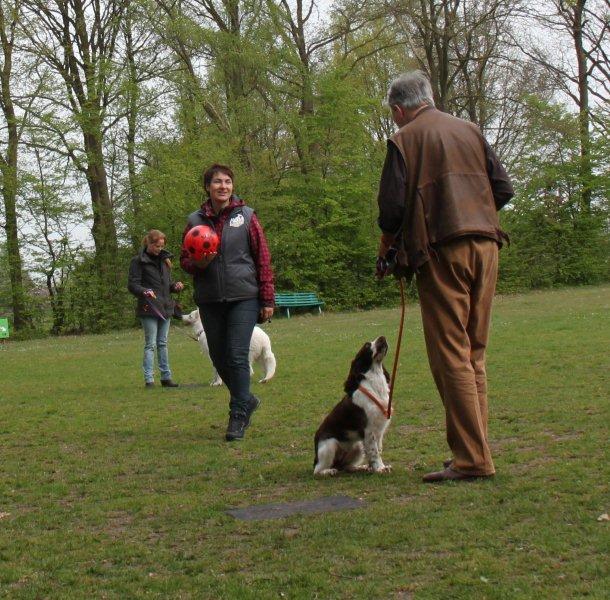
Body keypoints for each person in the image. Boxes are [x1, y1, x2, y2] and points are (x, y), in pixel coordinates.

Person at [376, 71, 514, 483]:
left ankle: (472, 459)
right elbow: (503, 189)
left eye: (394, 114)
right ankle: (475, 452)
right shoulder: (470, 130)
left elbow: (392, 209)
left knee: (451, 355)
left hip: (441, 250)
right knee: (474, 353)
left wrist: (387, 247)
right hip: (488, 247)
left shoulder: (404, 139)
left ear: (399, 110)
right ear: (430, 98)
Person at [180, 163, 274, 441]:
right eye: (217, 182)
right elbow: (185, 260)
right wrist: (199, 263)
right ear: (207, 187)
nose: (223, 186)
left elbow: (263, 258)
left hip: (244, 297)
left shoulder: (246, 217)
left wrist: (267, 297)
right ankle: (247, 399)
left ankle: (237, 415)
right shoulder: (194, 221)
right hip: (210, 300)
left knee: (235, 355)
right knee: (219, 358)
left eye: (228, 182)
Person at [128, 229, 184, 388]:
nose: (159, 249)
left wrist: (175, 286)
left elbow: (167, 286)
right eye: (157, 246)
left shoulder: (165, 261)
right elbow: (132, 285)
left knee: (162, 343)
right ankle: (149, 379)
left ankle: (166, 377)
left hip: (165, 307)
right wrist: (144, 291)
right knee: (150, 344)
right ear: (149, 244)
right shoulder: (138, 261)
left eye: (161, 246)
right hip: (148, 307)